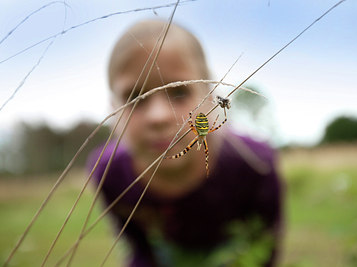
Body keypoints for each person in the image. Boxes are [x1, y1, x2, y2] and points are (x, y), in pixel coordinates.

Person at [88, 19, 284, 267]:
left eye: (179, 92)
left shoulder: (255, 164)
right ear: (113, 110)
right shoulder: (108, 172)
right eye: (135, 97)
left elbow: (264, 248)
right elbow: (137, 248)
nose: (159, 116)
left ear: (209, 97)